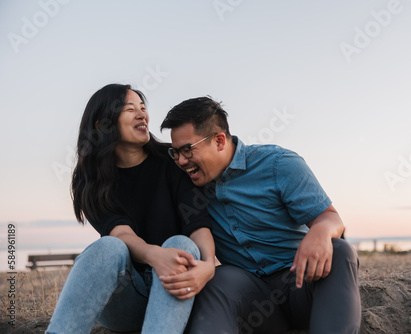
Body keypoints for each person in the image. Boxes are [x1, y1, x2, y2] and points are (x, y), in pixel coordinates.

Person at [161, 97, 361, 334]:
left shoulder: (278, 164)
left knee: (339, 251)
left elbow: (331, 218)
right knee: (218, 278)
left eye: (188, 150)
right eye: (176, 152)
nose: (182, 161)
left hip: (304, 286)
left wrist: (320, 231)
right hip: (251, 303)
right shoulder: (187, 186)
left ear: (219, 140)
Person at [46, 85, 216, 334]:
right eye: (130, 109)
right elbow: (121, 234)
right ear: (101, 124)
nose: (142, 115)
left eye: (143, 108)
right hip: (126, 299)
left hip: (177, 291)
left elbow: (197, 223)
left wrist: (209, 265)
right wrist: (156, 256)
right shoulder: (91, 179)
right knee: (108, 247)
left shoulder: (172, 161)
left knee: (180, 243)